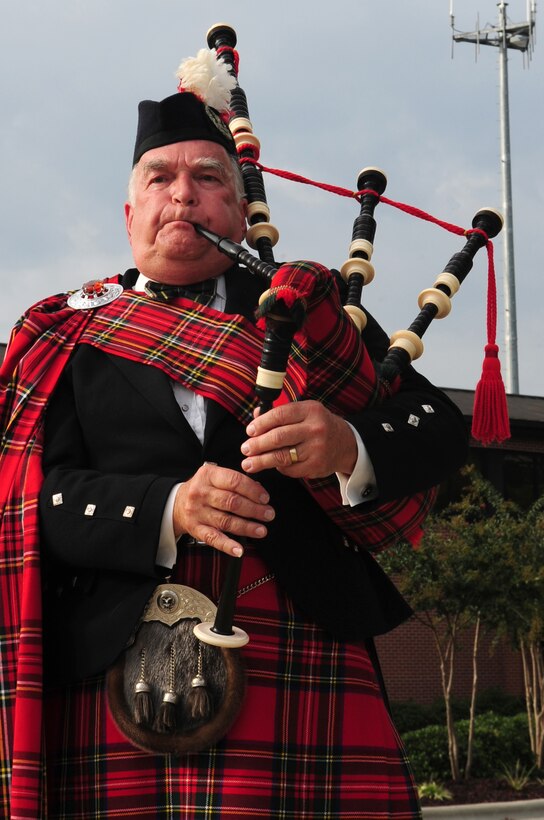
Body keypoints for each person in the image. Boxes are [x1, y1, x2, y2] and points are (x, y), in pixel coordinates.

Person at [0, 50, 468, 820]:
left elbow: (437, 428)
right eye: (160, 179)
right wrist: (165, 508)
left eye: (208, 178)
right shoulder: (66, 335)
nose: (183, 195)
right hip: (116, 669)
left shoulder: (304, 310)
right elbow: (27, 499)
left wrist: (346, 444)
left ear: (239, 207)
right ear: (129, 213)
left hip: (301, 641)